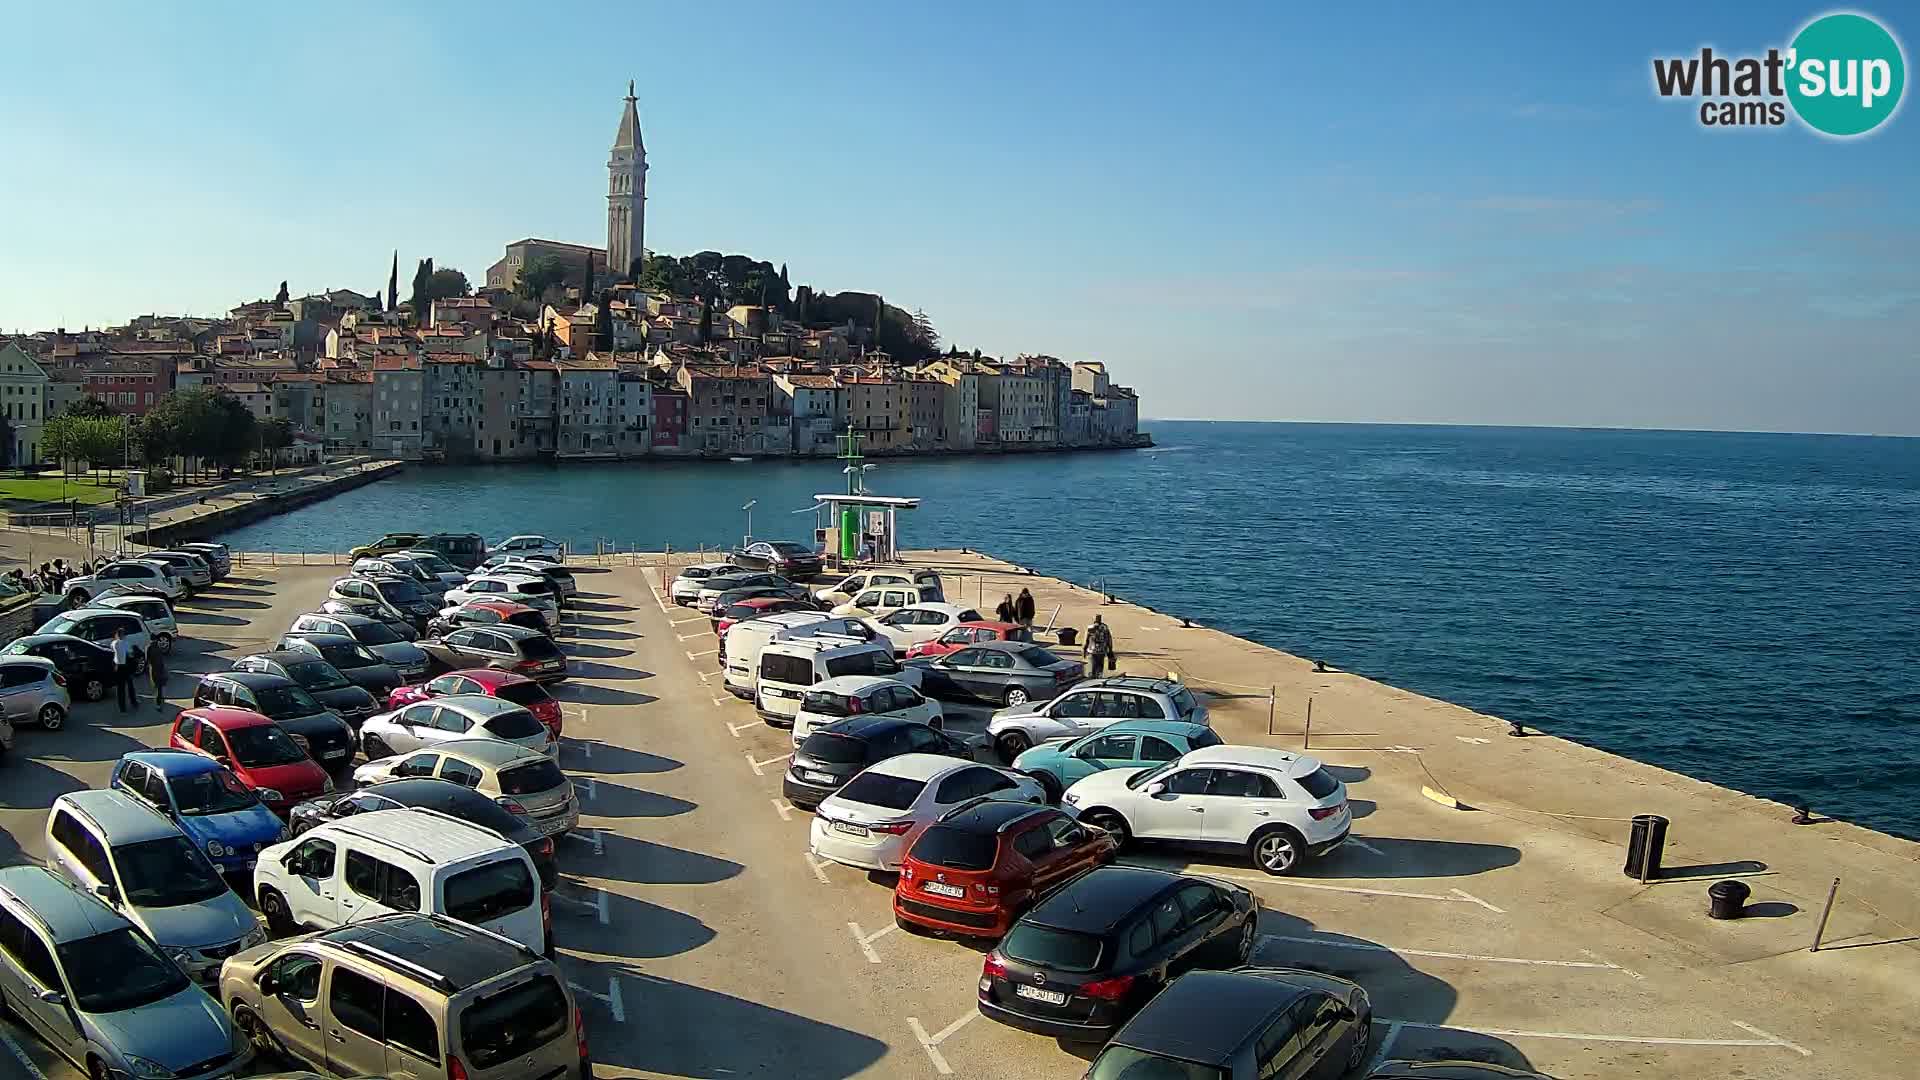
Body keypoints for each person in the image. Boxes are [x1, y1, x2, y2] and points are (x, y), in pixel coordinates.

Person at [111, 627, 141, 712]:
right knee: (130, 686)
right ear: (123, 635)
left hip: (117, 667)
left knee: (120, 688)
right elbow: (130, 654)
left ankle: (122, 707)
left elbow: (113, 650)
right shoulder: (125, 643)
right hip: (126, 667)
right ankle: (133, 702)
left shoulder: (114, 643)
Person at [148, 643, 169, 712]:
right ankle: (159, 703)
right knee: (159, 689)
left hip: (154, 670)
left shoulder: (149, 648)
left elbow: (148, 660)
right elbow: (162, 662)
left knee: (157, 688)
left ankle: (158, 704)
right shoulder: (158, 649)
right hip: (159, 670)